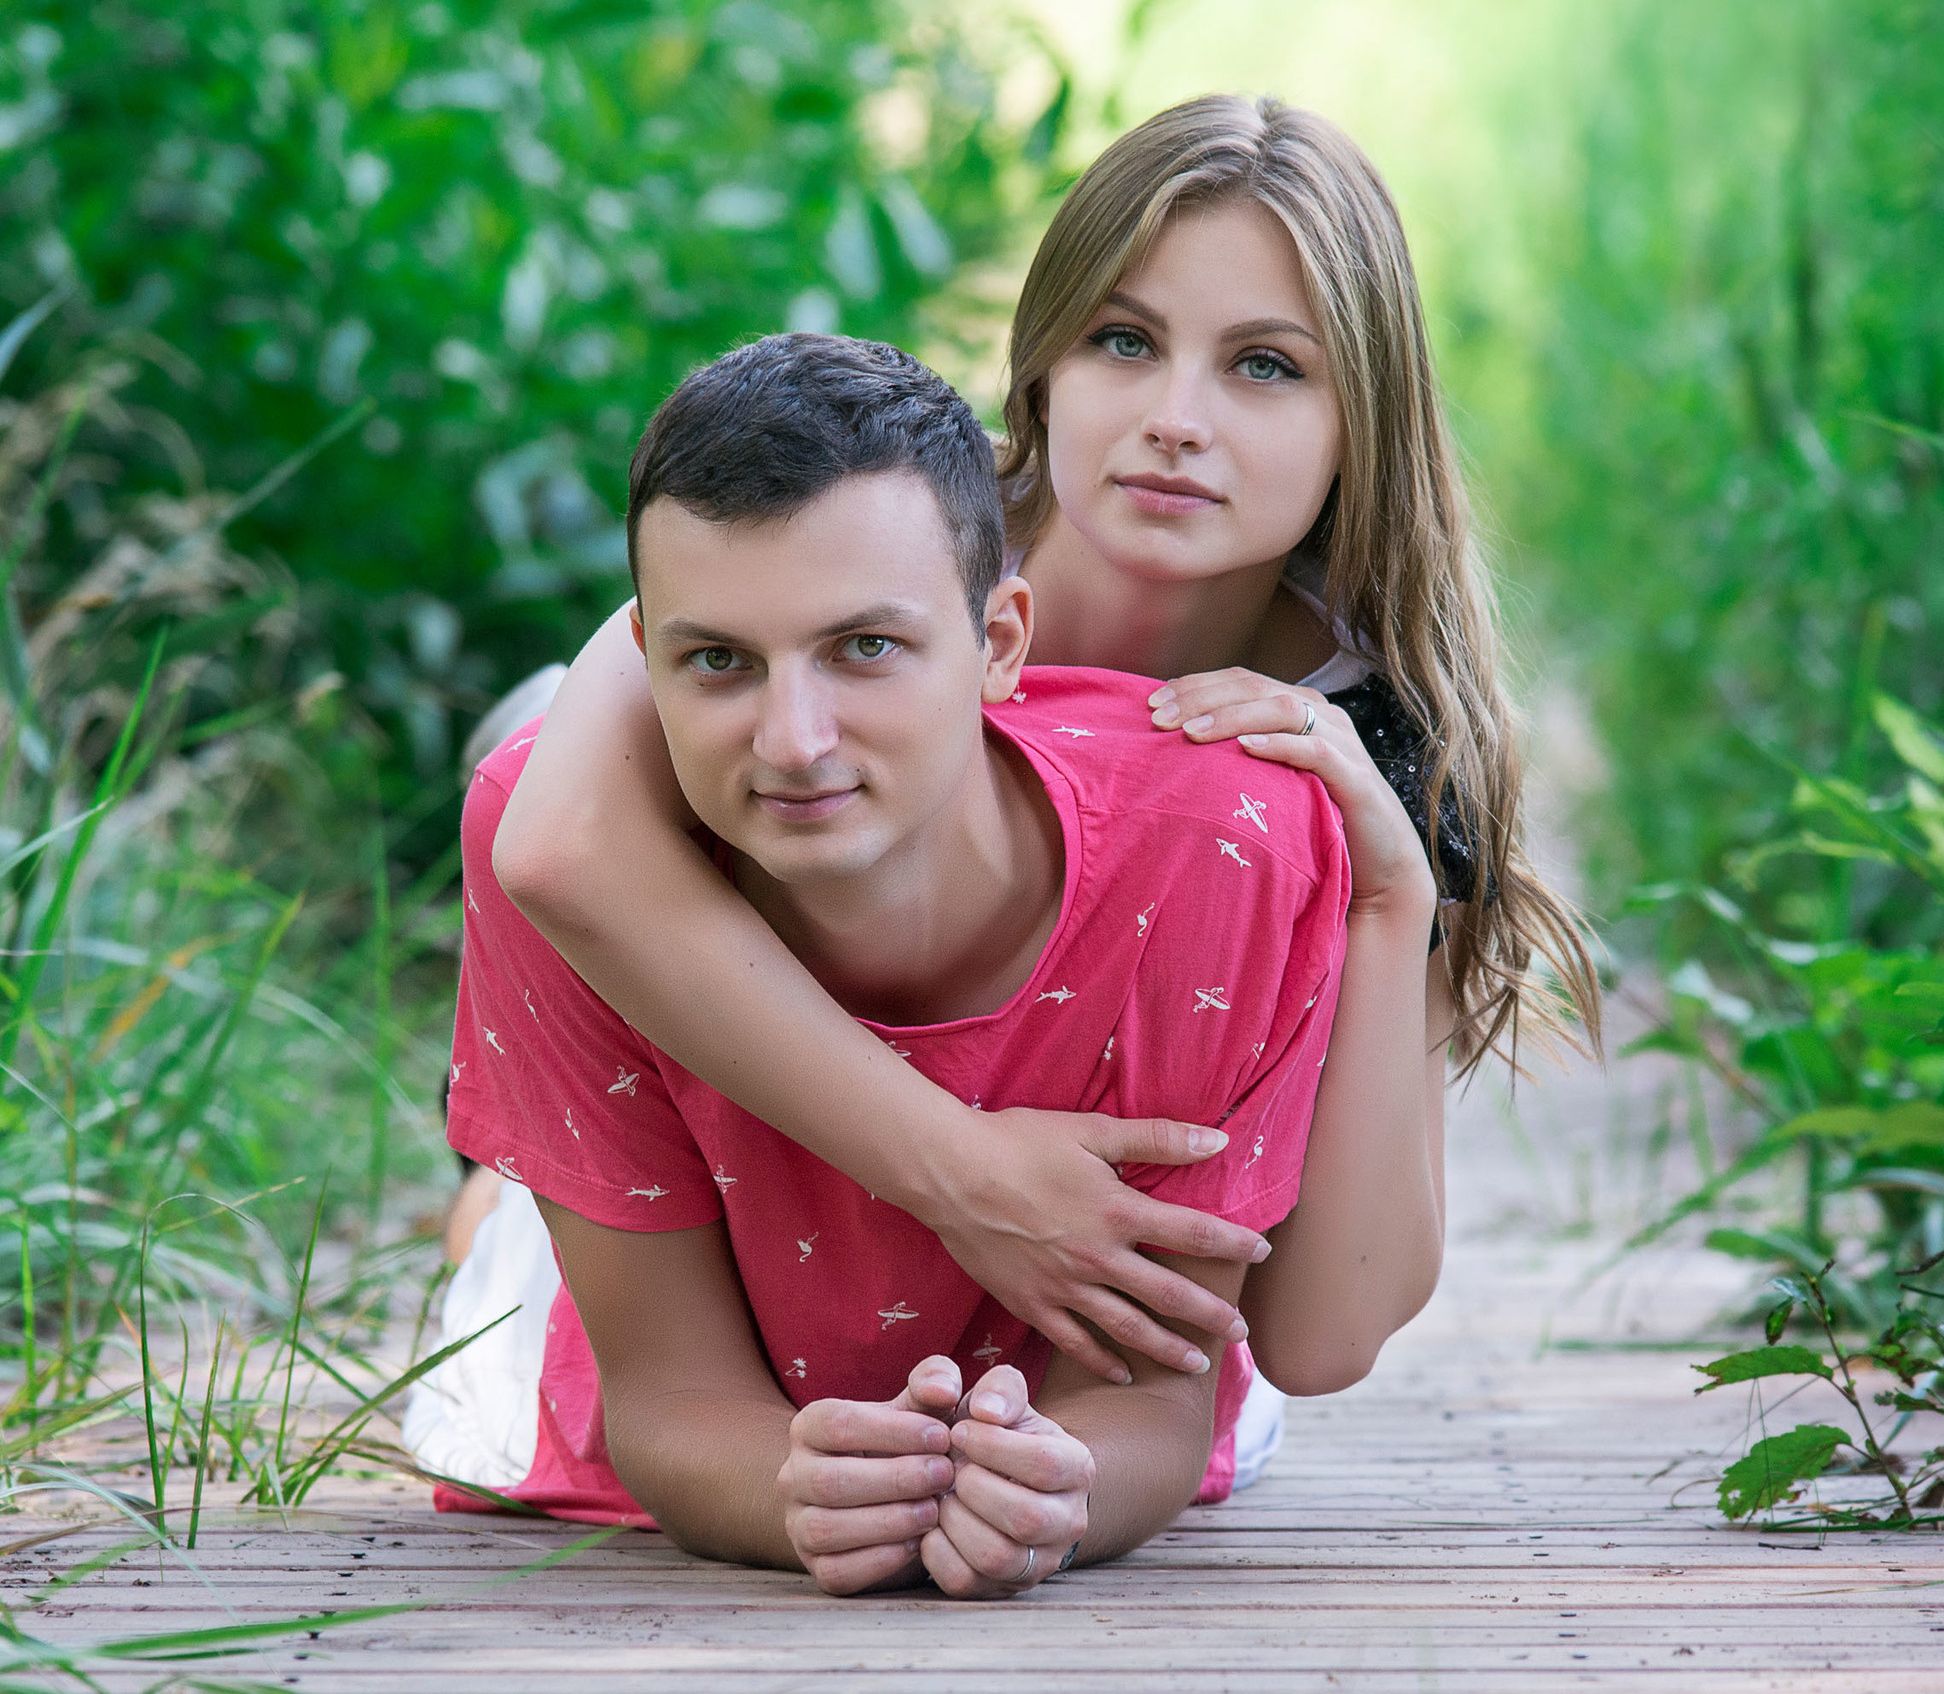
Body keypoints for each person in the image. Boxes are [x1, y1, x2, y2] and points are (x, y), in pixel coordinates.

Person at [442, 96, 1596, 1471]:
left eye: (1265, 367)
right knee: (547, 735)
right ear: (1044, 364)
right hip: (759, 1147)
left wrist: (1392, 891)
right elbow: (557, 837)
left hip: (1098, 1309)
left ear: (1369, 415)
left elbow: (1324, 1334)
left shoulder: (1370, 737)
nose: (1177, 419)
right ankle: (492, 1201)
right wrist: (962, 1170)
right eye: (1124, 339)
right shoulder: (891, 535)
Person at [441, 332, 1348, 1595]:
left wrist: (1066, 1492)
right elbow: (665, 1398)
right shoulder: (553, 850)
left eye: (864, 648)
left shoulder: (1222, 843)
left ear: (1000, 641)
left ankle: (510, 1165)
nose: (796, 741)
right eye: (717, 661)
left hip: (984, 1340)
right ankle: (500, 1193)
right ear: (643, 661)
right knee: (504, 1268)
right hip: (667, 1286)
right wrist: (784, 1492)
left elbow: (1147, 1405)